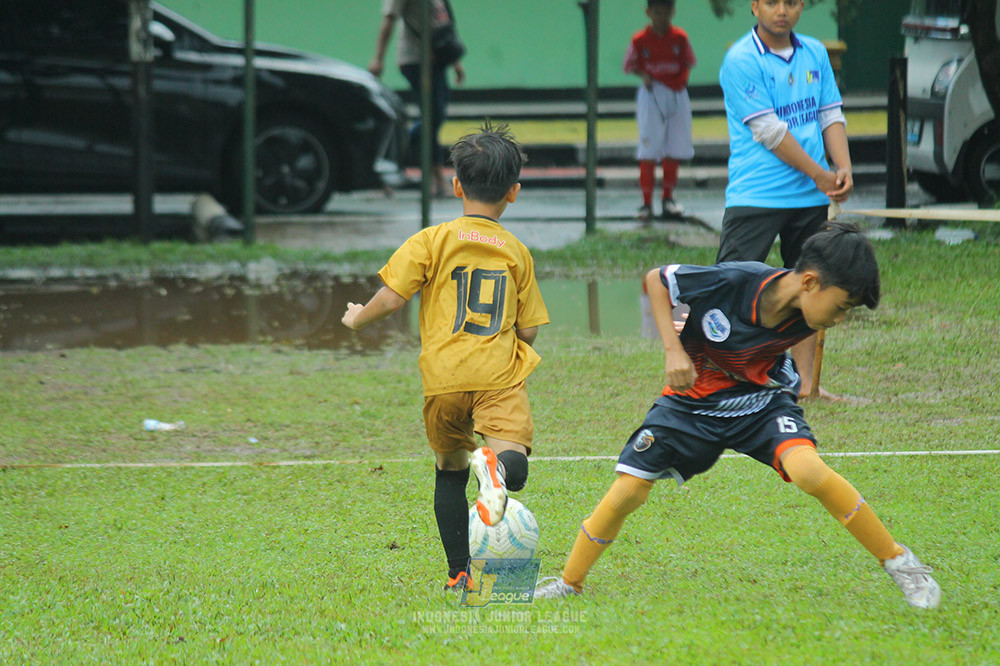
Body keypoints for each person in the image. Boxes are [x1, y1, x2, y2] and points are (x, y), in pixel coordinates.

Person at [535, 222, 941, 610]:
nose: (839, 319)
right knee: (628, 492)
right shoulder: (734, 281)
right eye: (841, 307)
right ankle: (569, 583)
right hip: (690, 404)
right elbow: (656, 279)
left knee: (808, 471)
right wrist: (673, 350)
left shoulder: (807, 308)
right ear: (810, 282)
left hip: (759, 403)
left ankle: (899, 561)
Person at [342, 121, 550, 591]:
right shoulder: (517, 252)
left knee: (449, 469)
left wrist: (357, 318)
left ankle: (460, 573)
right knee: (511, 464)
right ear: (513, 193)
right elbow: (531, 329)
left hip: (443, 379)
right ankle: (495, 468)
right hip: (496, 375)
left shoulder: (431, 240)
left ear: (456, 185)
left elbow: (392, 298)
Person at [717, 0, 852, 398]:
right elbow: (769, 131)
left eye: (791, 2)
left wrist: (842, 167)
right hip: (756, 194)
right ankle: (726, 378)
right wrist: (821, 173)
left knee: (812, 284)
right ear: (754, 6)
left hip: (810, 196)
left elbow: (830, 114)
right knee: (730, 285)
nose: (782, 11)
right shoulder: (740, 59)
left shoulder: (814, 52)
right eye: (772, 2)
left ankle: (806, 385)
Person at [368, 0, 466, 197]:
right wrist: (379, 58)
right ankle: (435, 175)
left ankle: (399, 158)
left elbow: (441, 24)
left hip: (437, 60)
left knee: (433, 119)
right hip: (415, 59)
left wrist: (454, 61)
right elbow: (389, 20)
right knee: (431, 118)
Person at [623, 0, 696, 222]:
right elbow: (629, 65)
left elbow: (687, 63)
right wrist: (644, 75)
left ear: (673, 12)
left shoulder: (680, 38)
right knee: (648, 147)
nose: (661, 16)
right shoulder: (639, 40)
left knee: (674, 145)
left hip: (676, 94)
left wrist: (679, 81)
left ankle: (668, 199)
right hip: (652, 93)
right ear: (648, 12)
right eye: (657, 11)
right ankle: (646, 203)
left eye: (666, 11)